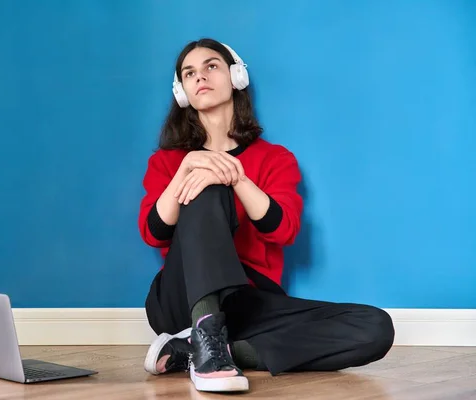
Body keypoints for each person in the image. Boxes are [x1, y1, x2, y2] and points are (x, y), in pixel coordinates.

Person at [137, 38, 395, 393]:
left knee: (375, 327)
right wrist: (186, 171)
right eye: (189, 73)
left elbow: (284, 230)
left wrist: (238, 177)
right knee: (205, 184)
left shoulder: (275, 159)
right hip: (180, 298)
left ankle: (211, 350)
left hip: (249, 303)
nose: (200, 77)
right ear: (182, 92)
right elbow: (154, 234)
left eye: (211, 66)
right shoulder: (168, 162)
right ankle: (206, 339)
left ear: (236, 76)